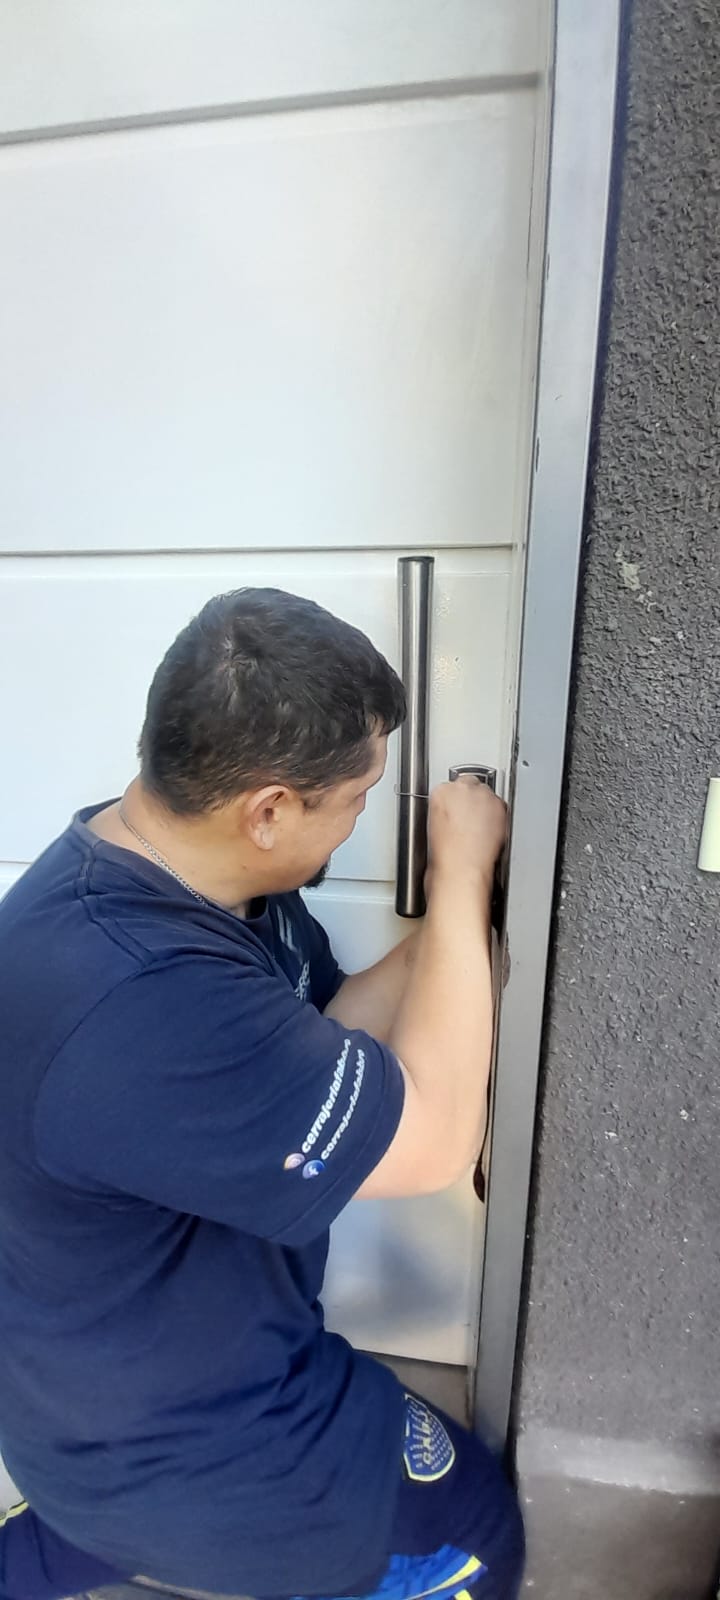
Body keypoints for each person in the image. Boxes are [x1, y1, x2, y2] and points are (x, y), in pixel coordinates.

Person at [0, 589, 524, 1600]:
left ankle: (82, 1528)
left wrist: (465, 936)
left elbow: (326, 1033)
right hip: (187, 1436)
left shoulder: (187, 880)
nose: (367, 812)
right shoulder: (141, 991)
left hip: (108, 1383)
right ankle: (116, 1524)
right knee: (477, 1535)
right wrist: (458, 875)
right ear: (271, 809)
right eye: (358, 794)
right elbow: (429, 1143)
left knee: (106, 1499)